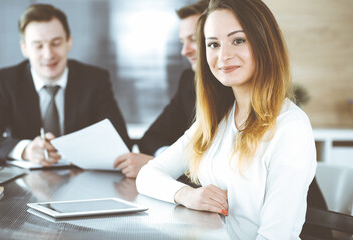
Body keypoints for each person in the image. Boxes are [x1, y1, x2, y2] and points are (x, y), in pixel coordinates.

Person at [136, 0, 317, 238]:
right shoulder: (217, 120)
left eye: (238, 40)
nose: (223, 56)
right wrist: (188, 195)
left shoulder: (290, 127)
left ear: (264, 44)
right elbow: (147, 175)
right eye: (213, 44)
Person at [0, 4, 131, 165]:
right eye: (38, 46)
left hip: (82, 178)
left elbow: (119, 140)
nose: (48, 54)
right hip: (24, 182)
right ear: (24, 48)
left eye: (56, 43)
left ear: (69, 42)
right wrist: (25, 150)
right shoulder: (4, 82)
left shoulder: (95, 80)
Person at [114, 0, 208, 178]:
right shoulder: (189, 80)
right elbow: (150, 139)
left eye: (193, 40)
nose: (184, 51)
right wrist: (164, 161)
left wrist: (158, 165)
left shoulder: (234, 89)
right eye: (182, 42)